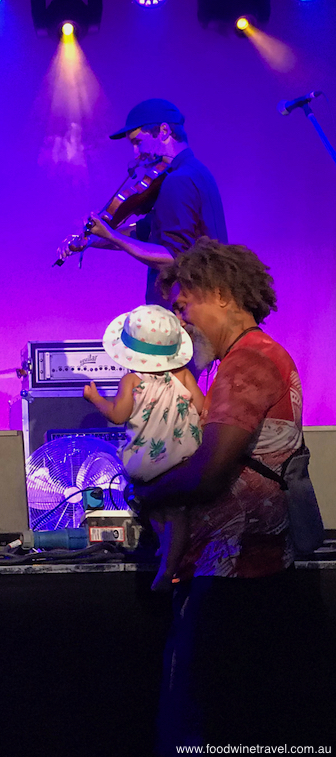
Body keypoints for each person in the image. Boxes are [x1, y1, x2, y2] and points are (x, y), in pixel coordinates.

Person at [125, 239, 326, 750]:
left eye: (182, 305)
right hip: (236, 573)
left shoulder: (250, 362)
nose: (181, 320)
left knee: (197, 726)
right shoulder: (242, 360)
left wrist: (147, 492)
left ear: (216, 293)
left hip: (232, 576)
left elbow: (209, 474)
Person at [60, 99, 227, 309]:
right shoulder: (192, 172)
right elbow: (145, 231)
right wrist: (94, 240)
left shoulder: (179, 180)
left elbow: (176, 258)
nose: (136, 154)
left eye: (138, 142)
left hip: (190, 311)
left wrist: (112, 236)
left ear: (164, 131)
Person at [83, 304, 204, 591]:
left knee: (155, 508)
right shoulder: (183, 375)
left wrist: (95, 399)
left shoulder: (131, 380)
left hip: (145, 463)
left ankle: (167, 564)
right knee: (176, 511)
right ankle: (171, 559)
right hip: (182, 458)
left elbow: (118, 415)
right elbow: (203, 407)